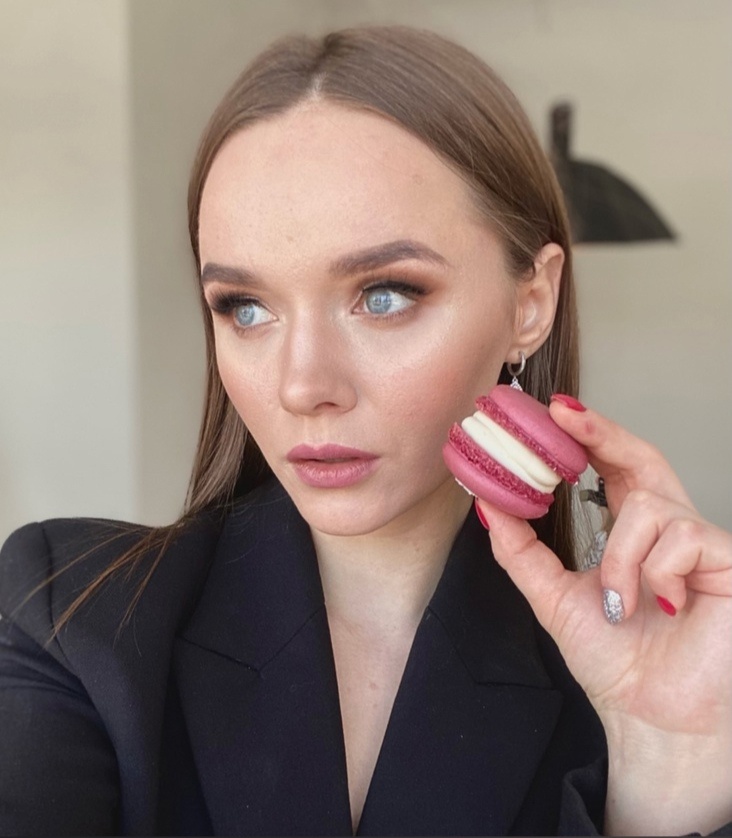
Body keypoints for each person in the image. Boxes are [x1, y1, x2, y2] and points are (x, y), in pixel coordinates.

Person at [0, 25, 730, 837]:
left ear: (530, 304)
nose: (303, 385)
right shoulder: (70, 616)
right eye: (245, 308)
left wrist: (668, 772)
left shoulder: (627, 684)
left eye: (384, 295)